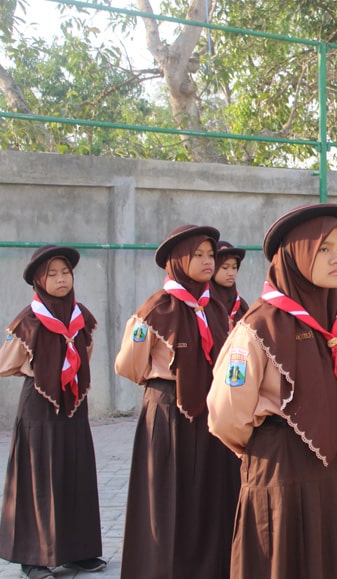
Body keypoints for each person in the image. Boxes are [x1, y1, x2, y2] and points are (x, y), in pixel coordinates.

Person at [207, 204, 337, 578]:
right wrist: (273, 446)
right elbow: (226, 416)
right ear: (296, 254)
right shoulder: (259, 326)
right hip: (283, 476)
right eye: (324, 249)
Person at [114, 224, 240, 579]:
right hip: (168, 412)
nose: (207, 262)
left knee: (208, 496)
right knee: (169, 498)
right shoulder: (156, 308)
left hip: (209, 414)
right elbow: (128, 364)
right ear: (178, 260)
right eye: (197, 255)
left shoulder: (213, 306)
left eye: (210, 255)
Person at [0, 246, 105, 579]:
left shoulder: (80, 317)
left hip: (73, 404)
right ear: (38, 281)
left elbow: (86, 351)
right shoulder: (29, 321)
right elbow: (7, 362)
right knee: (39, 478)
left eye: (66, 273)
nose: (61, 279)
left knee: (75, 471)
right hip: (39, 408)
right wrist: (36, 371)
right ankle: (34, 556)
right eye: (53, 274)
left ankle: (78, 551)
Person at [211, 240, 249, 331]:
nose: (231, 273)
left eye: (234, 267)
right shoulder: (204, 303)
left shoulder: (241, 305)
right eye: (225, 267)